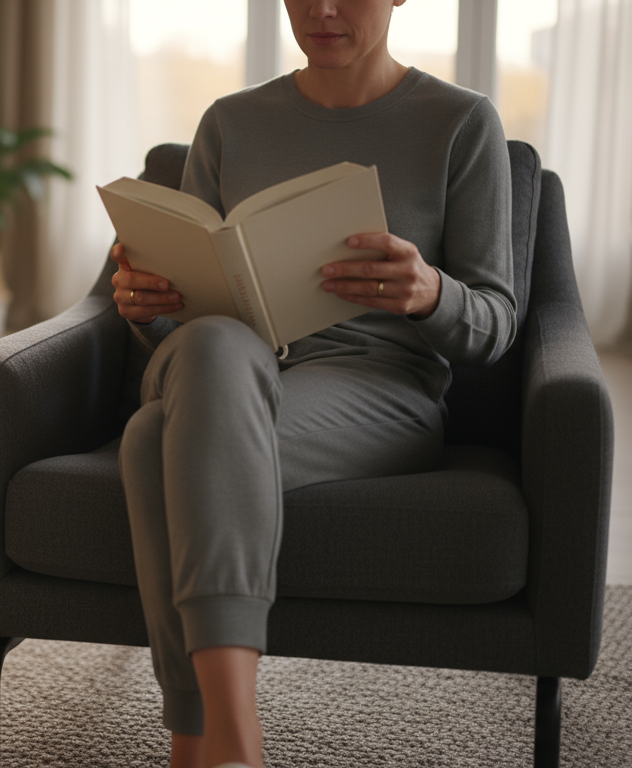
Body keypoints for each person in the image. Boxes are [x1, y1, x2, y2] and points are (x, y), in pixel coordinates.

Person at [109, 1, 516, 767]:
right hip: (220, 363)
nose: (322, 8)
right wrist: (146, 307)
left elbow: (498, 325)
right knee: (217, 348)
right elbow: (187, 312)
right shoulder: (228, 122)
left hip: (379, 387)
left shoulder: (460, 123)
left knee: (148, 441)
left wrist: (431, 291)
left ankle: (199, 742)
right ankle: (236, 742)